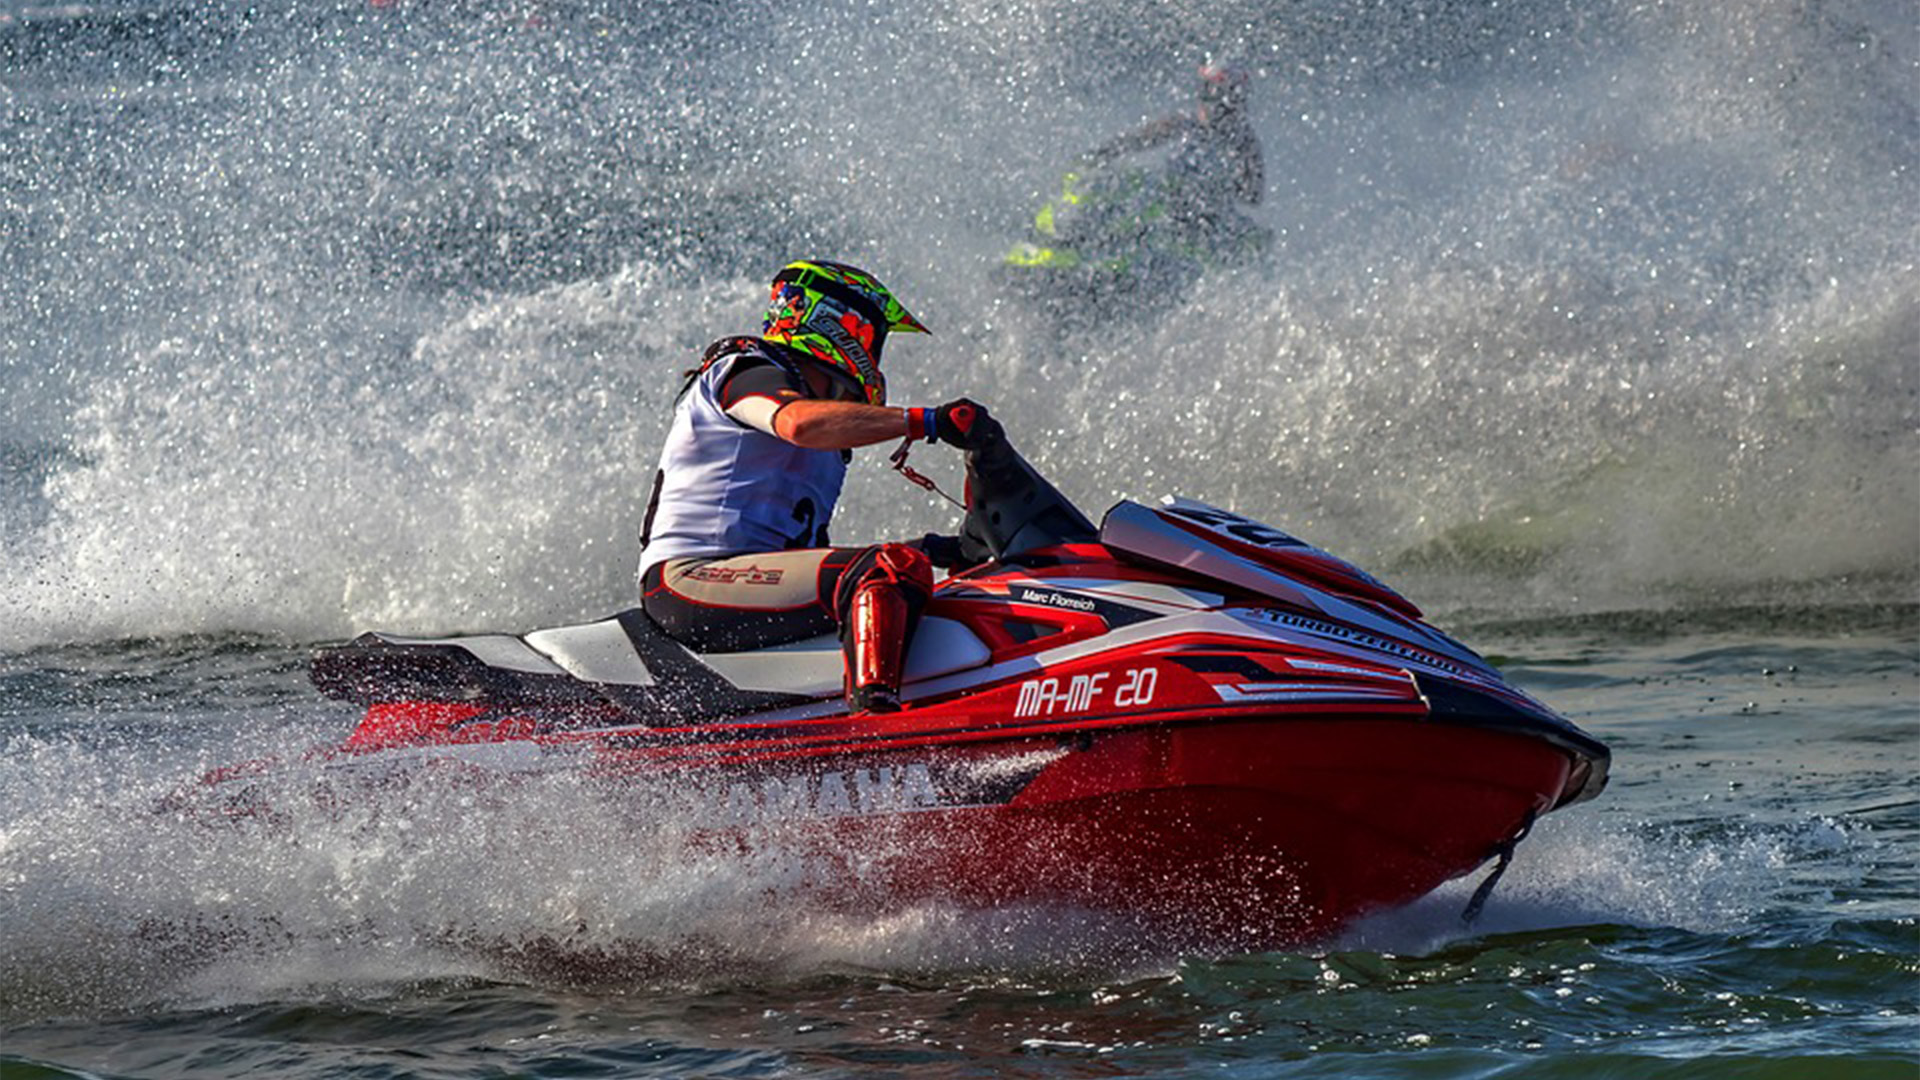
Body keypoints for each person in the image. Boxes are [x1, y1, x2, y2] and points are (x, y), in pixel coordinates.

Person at [637, 260, 994, 714]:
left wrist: (934, 549)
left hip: (740, 579)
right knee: (883, 568)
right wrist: (927, 421)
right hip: (688, 580)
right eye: (876, 337)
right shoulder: (746, 370)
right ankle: (876, 727)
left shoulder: (828, 438)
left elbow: (801, 561)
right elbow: (796, 423)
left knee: (905, 574)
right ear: (841, 324)